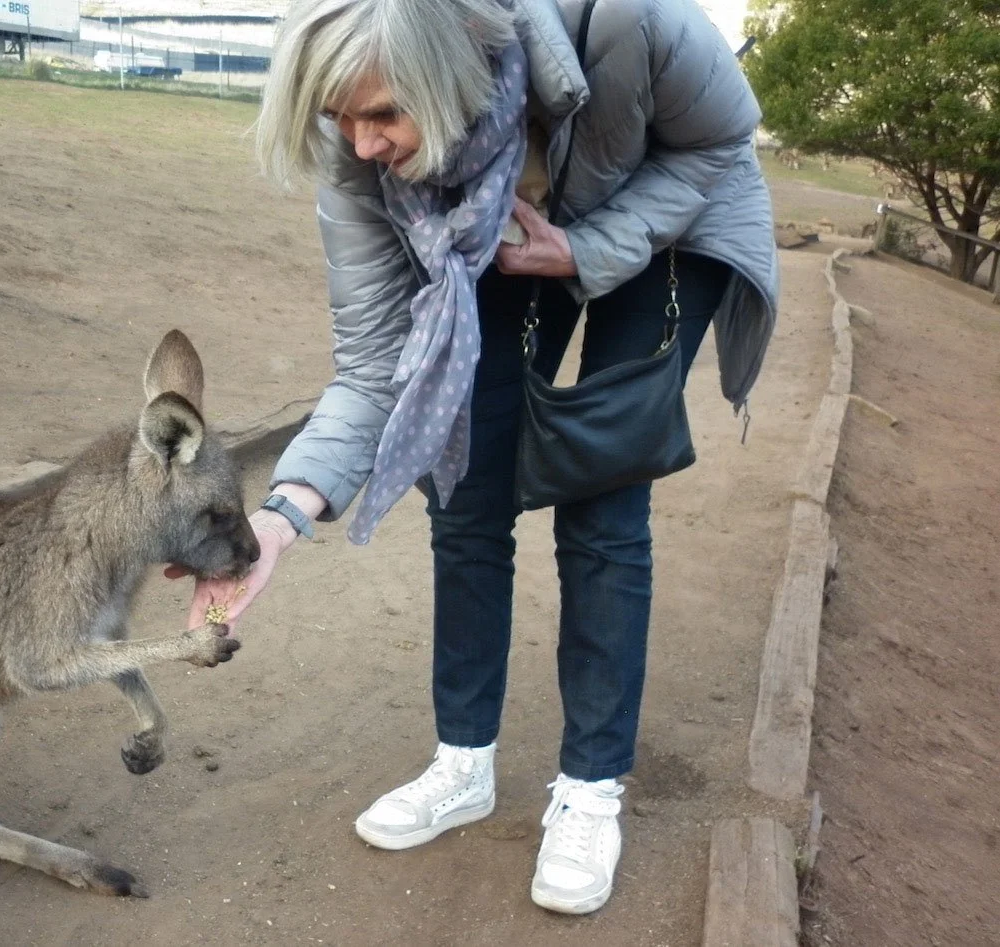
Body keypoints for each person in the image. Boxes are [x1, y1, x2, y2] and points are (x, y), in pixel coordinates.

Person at [174, 0, 778, 916]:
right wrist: (281, 518)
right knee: (459, 478)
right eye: (340, 118)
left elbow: (719, 139)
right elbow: (377, 362)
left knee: (603, 497)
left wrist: (585, 247)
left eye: (382, 115)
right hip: (486, 224)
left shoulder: (627, 21)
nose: (362, 143)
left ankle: (591, 785)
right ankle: (463, 762)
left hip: (666, 213)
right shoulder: (361, 151)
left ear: (448, 74)